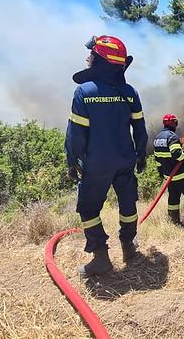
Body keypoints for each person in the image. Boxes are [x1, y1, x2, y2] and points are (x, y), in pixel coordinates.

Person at [65, 35, 148, 277]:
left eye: (92, 54)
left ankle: (101, 258)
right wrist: (140, 154)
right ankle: (128, 248)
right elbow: (140, 129)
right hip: (125, 160)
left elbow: (75, 135)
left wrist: (72, 160)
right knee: (128, 204)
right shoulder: (130, 92)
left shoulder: (84, 92)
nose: (87, 58)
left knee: (89, 209)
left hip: (96, 163)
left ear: (101, 60)